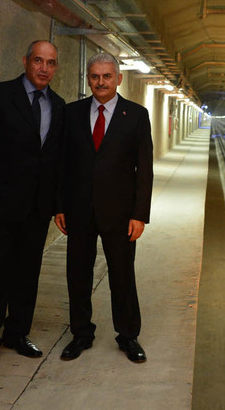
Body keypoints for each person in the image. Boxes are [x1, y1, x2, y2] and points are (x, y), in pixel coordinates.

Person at [0, 40, 65, 374]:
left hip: (37, 208)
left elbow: (55, 160)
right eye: (38, 60)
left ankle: (17, 334)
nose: (43, 68)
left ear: (55, 67)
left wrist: (57, 205)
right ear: (25, 61)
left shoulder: (59, 105)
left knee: (27, 273)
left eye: (50, 63)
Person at [55, 52, 154, 363]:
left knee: (122, 276)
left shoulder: (136, 115)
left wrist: (140, 214)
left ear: (118, 79)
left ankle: (128, 335)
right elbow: (61, 165)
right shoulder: (71, 113)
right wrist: (59, 206)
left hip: (121, 214)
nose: (101, 82)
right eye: (95, 76)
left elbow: (145, 169)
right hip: (79, 211)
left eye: (107, 76)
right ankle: (81, 333)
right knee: (78, 275)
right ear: (88, 79)